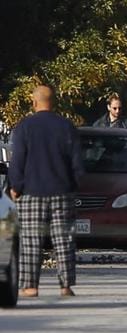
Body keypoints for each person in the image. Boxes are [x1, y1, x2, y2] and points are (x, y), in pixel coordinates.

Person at [8, 85, 83, 298]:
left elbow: (17, 161)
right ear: (55, 102)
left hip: (31, 192)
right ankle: (65, 286)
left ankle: (30, 286)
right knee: (64, 240)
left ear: (34, 102)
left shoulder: (24, 127)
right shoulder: (66, 126)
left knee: (31, 240)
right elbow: (77, 162)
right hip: (62, 191)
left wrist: (16, 186)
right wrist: (73, 186)